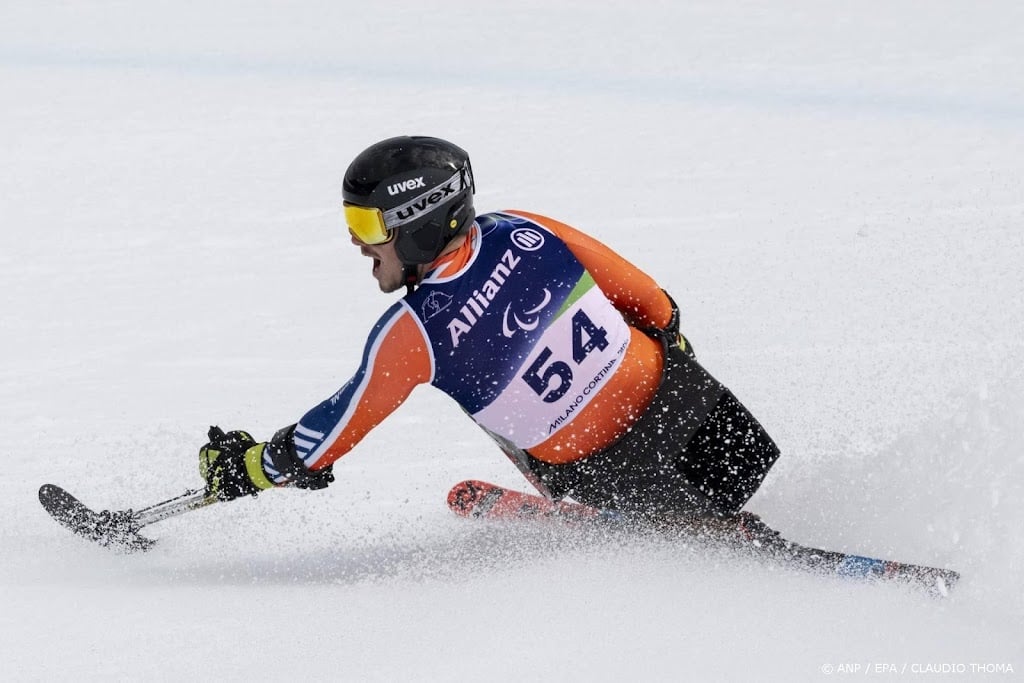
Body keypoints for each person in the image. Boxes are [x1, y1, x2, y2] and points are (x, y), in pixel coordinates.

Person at [199, 136, 781, 523]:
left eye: (365, 223)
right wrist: (673, 350)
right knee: (618, 328)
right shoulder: (523, 227)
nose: (355, 241)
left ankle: (632, 518)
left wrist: (252, 466)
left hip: (620, 484)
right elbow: (651, 300)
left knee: (479, 381)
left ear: (414, 222)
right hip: (713, 420)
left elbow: (328, 437)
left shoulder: (412, 332)